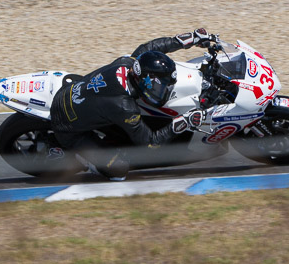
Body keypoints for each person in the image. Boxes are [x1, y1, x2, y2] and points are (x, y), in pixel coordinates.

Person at [48, 28, 214, 180]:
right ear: (144, 82)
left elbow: (150, 47)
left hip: (71, 93)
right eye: (159, 86)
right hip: (67, 127)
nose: (163, 89)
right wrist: (184, 121)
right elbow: (151, 143)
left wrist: (189, 39)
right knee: (119, 170)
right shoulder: (124, 106)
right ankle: (82, 159)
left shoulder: (128, 63)